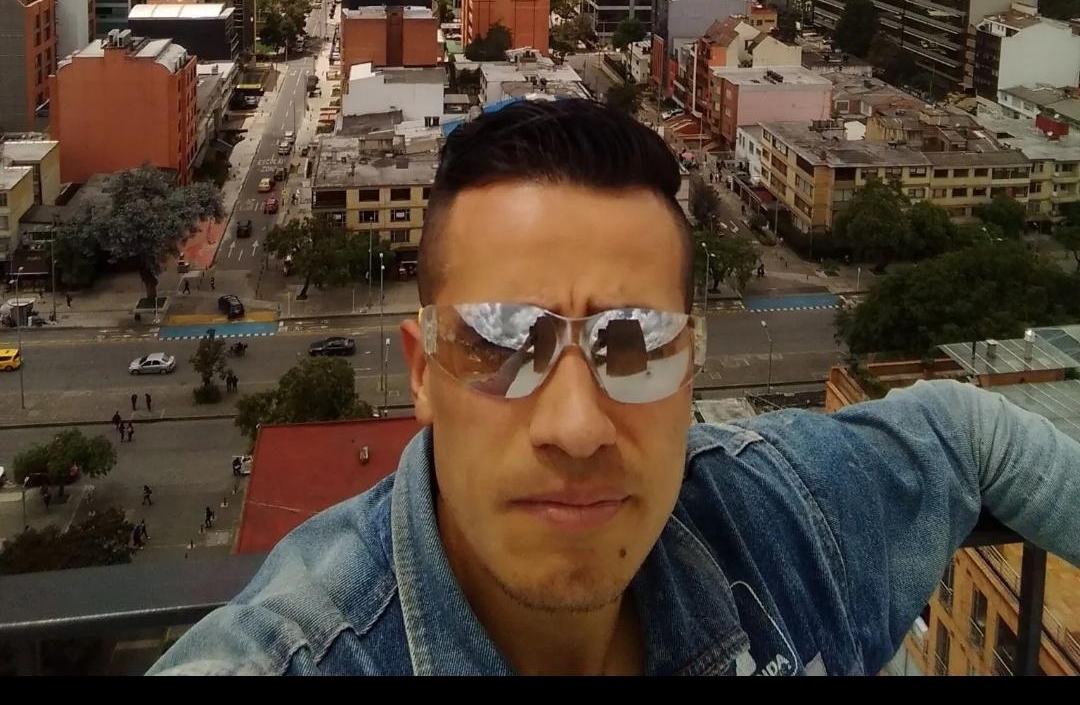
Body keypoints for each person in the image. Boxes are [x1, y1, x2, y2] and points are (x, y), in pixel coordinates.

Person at [151, 101, 1080, 677]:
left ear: (692, 366)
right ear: (422, 370)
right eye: (503, 343)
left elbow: (967, 432)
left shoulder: (784, 525)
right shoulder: (301, 655)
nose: (575, 425)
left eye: (634, 346)